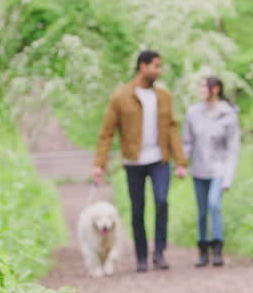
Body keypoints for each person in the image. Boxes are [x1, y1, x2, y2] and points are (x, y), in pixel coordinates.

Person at [94, 50, 188, 272]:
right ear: (142, 67)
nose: (159, 70)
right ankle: (142, 256)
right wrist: (100, 163)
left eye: (160, 66)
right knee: (138, 209)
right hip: (133, 161)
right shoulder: (121, 96)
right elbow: (107, 132)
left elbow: (172, 129)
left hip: (159, 159)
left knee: (162, 201)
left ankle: (159, 253)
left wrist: (181, 161)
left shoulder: (164, 96)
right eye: (156, 66)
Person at [182, 75, 240, 268]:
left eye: (203, 88)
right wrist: (182, 164)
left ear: (215, 90)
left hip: (219, 168)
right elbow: (188, 142)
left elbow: (233, 148)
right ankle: (202, 248)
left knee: (214, 204)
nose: (200, 92)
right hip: (199, 168)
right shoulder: (193, 113)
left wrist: (228, 178)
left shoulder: (228, 114)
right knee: (202, 210)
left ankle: (217, 246)